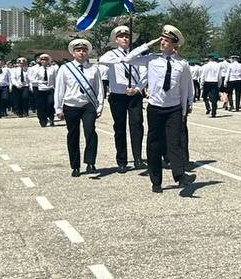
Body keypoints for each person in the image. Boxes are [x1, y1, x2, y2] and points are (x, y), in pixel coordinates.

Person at [112, 25, 195, 192]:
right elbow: (127, 59)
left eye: (166, 40)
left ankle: (179, 175)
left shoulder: (182, 64)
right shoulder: (151, 59)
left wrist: (186, 108)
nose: (163, 42)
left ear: (175, 44)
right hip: (156, 108)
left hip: (174, 108)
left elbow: (186, 87)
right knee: (154, 145)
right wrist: (149, 44)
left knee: (175, 143)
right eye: (162, 39)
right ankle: (156, 180)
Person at [97, 26, 147, 173]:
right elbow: (103, 60)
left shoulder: (137, 55)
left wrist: (137, 88)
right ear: (116, 40)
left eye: (127, 36)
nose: (125, 38)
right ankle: (122, 161)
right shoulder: (111, 54)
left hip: (134, 94)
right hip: (118, 95)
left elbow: (144, 73)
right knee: (119, 128)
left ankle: (138, 158)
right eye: (121, 36)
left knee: (137, 126)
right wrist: (124, 59)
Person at [54, 39, 105, 177]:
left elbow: (99, 88)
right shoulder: (65, 69)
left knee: (90, 131)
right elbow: (59, 89)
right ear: (73, 53)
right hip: (71, 105)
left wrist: (100, 106)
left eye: (84, 50)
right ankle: (75, 165)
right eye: (78, 50)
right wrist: (58, 108)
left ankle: (90, 162)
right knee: (73, 135)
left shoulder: (93, 69)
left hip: (88, 105)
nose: (81, 53)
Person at [27, 53, 58, 127]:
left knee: (50, 104)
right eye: (42, 60)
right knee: (41, 106)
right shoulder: (37, 69)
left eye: (45, 60)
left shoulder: (52, 69)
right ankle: (43, 120)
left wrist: (56, 89)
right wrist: (40, 82)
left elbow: (55, 79)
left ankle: (51, 118)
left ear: (48, 61)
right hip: (40, 90)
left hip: (50, 89)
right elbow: (32, 79)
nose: (43, 61)